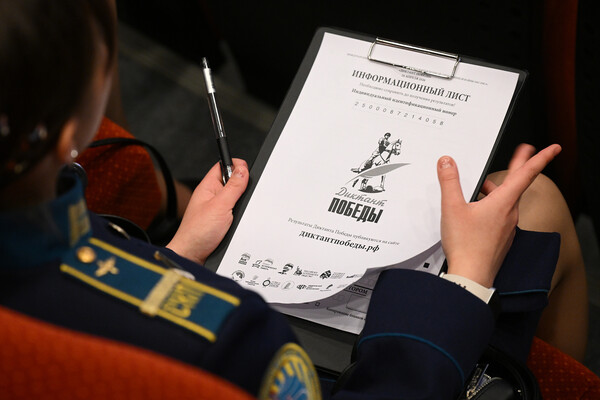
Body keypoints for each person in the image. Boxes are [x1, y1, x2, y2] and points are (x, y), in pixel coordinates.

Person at [0, 1, 587, 399]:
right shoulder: (237, 335)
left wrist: (177, 254)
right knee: (537, 203)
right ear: (76, 125)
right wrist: (466, 280)